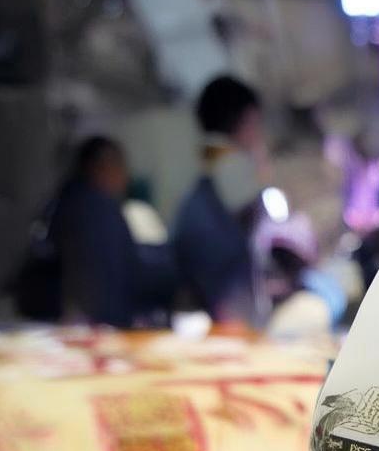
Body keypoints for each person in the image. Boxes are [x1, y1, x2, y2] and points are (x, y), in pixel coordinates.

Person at [172, 75, 268, 323]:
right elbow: (250, 230)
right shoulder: (234, 165)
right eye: (255, 123)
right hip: (228, 304)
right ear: (243, 120)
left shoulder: (201, 160)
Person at [50, 137, 156, 327]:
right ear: (102, 167)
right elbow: (109, 277)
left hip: (78, 321)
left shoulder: (69, 201)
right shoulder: (97, 210)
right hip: (102, 324)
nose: (125, 178)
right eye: (121, 168)